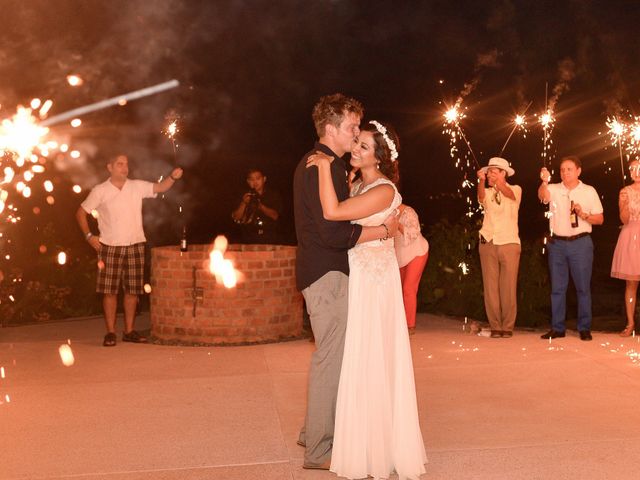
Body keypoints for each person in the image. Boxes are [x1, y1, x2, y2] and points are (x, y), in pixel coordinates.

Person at [306, 120, 427, 479]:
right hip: (358, 277)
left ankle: (377, 448)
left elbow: (334, 214)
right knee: (357, 358)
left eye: (364, 147)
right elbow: (346, 227)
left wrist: (326, 167)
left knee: (374, 356)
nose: (356, 149)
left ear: (381, 157)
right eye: (356, 142)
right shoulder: (360, 183)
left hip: (375, 285)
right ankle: (358, 440)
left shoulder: (384, 190)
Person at [293, 94, 399, 471]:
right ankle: (319, 449)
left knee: (333, 356)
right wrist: (382, 232)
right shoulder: (324, 167)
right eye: (352, 127)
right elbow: (331, 232)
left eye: (360, 131)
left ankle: (313, 433)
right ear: (332, 128)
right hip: (327, 273)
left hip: (323, 272)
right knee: (330, 360)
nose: (355, 135)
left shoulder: (325, 165)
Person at [76, 155, 183, 347]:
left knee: (132, 291)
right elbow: (81, 213)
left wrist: (173, 177)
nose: (125, 168)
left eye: (126, 164)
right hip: (109, 246)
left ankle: (129, 331)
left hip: (135, 244)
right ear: (110, 167)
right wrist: (89, 237)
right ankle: (110, 332)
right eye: (120, 164)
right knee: (109, 292)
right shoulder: (100, 190)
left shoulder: (136, 186)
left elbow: (160, 187)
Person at [538, 156, 604, 341]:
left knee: (583, 287)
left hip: (580, 243)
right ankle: (557, 328)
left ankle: (584, 327)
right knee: (557, 288)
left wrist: (584, 214)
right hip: (557, 243)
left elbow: (600, 219)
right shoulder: (553, 188)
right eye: (562, 170)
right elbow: (542, 196)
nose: (565, 172)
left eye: (569, 169)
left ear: (578, 171)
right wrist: (544, 181)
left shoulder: (589, 191)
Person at [476, 157, 522, 338]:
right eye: (489, 171)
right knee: (490, 287)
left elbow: (509, 194)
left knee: (508, 286)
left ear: (503, 173)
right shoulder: (487, 191)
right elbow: (481, 198)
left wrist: (498, 182)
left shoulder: (516, 189)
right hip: (488, 241)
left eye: (494, 171)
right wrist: (481, 180)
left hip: (509, 242)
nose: (490, 174)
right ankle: (495, 326)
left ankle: (508, 326)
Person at [611, 159, 640, 336]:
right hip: (631, 236)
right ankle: (630, 323)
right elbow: (624, 219)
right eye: (633, 169)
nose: (636, 171)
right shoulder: (625, 191)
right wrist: (627, 206)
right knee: (631, 283)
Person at [394, 204, 429, 335]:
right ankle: (400, 323)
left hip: (417, 252)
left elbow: (414, 233)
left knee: (408, 288)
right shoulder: (384, 212)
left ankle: (410, 326)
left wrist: (396, 223)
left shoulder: (408, 212)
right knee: (399, 288)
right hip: (400, 255)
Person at [231, 168, 282, 244]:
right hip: (248, 238)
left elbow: (276, 216)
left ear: (264, 179)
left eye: (258, 178)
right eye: (251, 179)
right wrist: (244, 203)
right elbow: (236, 217)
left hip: (269, 237)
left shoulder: (273, 195)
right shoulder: (243, 196)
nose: (255, 182)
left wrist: (260, 206)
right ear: (248, 181)